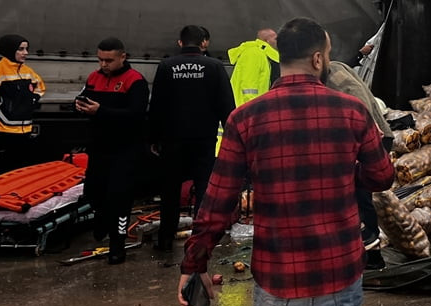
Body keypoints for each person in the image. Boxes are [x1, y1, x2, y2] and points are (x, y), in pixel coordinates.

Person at [178, 17, 393, 306]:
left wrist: (194, 262)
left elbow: (217, 201)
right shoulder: (352, 111)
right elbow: (382, 177)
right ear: (316, 59)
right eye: (326, 55)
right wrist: (345, 173)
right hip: (339, 270)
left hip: (278, 276)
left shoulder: (244, 119)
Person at [148, 25, 234, 251]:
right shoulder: (214, 66)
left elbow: (156, 105)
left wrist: (154, 137)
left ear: (180, 42)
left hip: (172, 140)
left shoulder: (166, 66)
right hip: (203, 140)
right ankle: (201, 240)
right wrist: (233, 138)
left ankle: (165, 239)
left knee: (170, 190)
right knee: (204, 188)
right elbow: (226, 105)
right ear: (204, 42)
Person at [75, 38, 149, 264]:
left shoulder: (135, 80)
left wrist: (101, 111)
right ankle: (100, 227)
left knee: (119, 199)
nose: (103, 64)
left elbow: (136, 115)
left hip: (125, 150)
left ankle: (118, 246)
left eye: (108, 60)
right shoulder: (94, 77)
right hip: (98, 149)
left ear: (122, 57)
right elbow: (84, 99)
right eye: (100, 60)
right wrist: (79, 107)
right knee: (95, 194)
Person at [323, 60, 395, 271]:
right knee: (355, 196)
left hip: (369, 138)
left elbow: (357, 97)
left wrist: (367, 130)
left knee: (359, 198)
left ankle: (371, 257)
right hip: (363, 138)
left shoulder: (333, 74)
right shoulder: (332, 69)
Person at [0, 34, 45, 174]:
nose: (25, 53)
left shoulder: (27, 71)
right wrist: (0, 102)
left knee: (19, 166)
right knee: (1, 168)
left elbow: (41, 87)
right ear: (9, 50)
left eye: (26, 49)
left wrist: (33, 100)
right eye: (21, 49)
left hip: (24, 127)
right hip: (2, 127)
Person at [227, 28, 280, 107]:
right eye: (275, 38)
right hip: (246, 110)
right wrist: (253, 110)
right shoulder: (254, 53)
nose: (278, 41)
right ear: (266, 41)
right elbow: (248, 87)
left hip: (249, 108)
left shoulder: (263, 55)